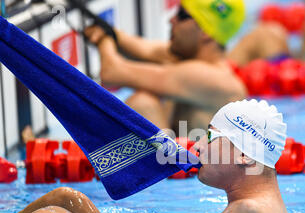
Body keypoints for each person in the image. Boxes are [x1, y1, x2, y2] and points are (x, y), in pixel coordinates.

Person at [0, 100, 288, 213]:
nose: (198, 144)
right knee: (67, 199)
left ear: (244, 155)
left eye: (211, 137)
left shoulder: (251, 210)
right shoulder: (264, 205)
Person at [84, 0, 247, 134]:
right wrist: (103, 29)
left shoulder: (212, 78)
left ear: (205, 32)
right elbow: (139, 48)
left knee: (144, 104)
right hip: (180, 165)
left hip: (192, 172)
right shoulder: (185, 61)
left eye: (181, 16)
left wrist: (103, 39)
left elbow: (112, 72)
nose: (171, 20)